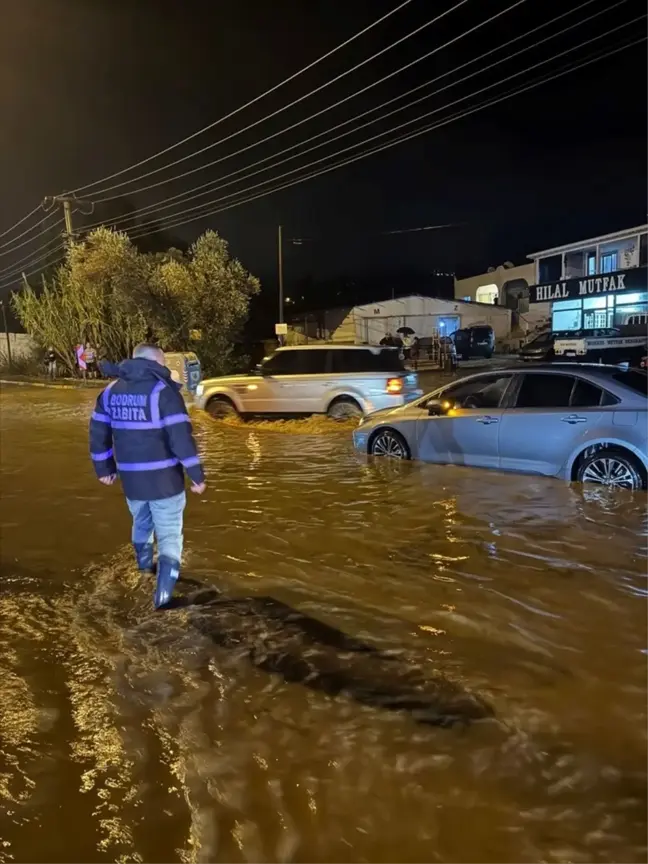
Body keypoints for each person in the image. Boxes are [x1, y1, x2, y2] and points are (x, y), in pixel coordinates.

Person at [89, 343, 206, 608]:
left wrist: (104, 469)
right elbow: (181, 439)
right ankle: (162, 600)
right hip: (165, 482)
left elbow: (97, 435)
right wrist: (197, 475)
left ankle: (143, 572)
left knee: (141, 524)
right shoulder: (164, 392)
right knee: (169, 538)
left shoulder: (109, 392)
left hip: (132, 482)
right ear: (157, 361)